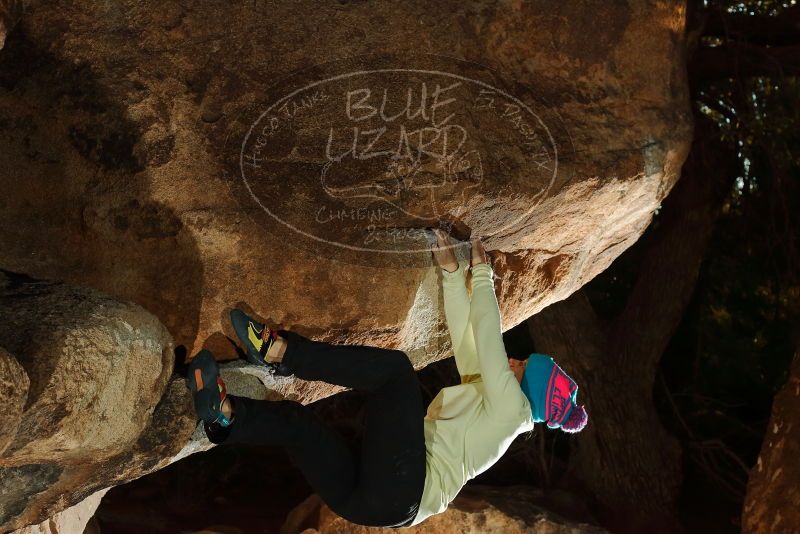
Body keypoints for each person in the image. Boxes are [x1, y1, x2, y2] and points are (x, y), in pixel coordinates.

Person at [185, 229, 587, 528]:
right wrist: (452, 274)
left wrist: (483, 275)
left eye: (521, 365)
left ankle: (278, 352)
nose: (513, 360)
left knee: (396, 373)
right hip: (376, 505)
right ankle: (225, 417)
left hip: (402, 487)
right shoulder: (494, 401)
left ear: (529, 387)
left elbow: (487, 335)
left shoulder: (512, 409)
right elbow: (469, 340)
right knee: (299, 425)